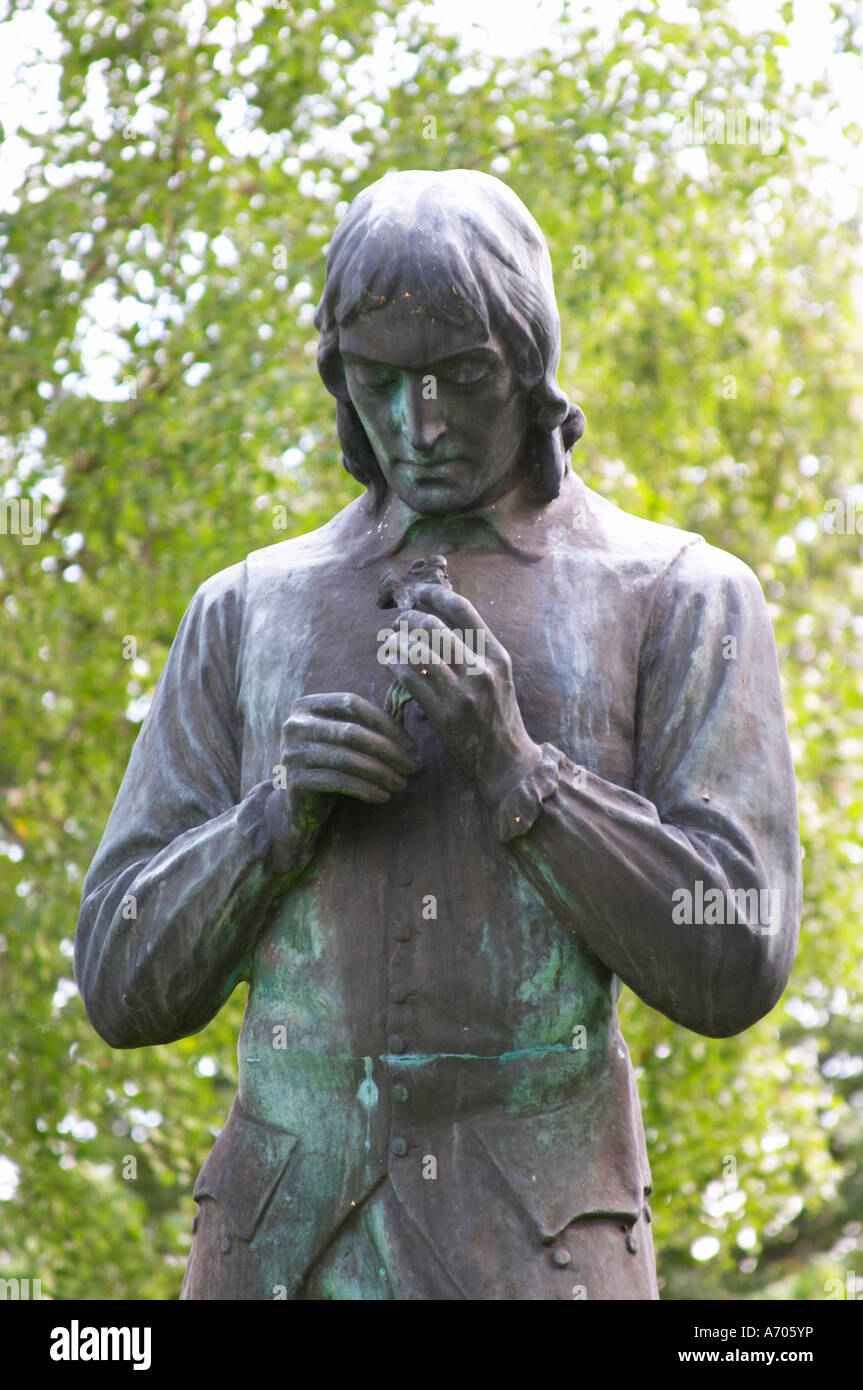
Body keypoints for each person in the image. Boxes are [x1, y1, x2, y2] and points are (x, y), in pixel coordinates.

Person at [75, 169, 801, 1300]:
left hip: (537, 1258)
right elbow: (119, 979)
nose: (420, 424)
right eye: (380, 381)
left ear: (529, 365)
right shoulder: (245, 608)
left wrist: (521, 776)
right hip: (274, 1262)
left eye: (461, 377)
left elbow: (736, 956)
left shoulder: (676, 594)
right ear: (339, 381)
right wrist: (267, 828)